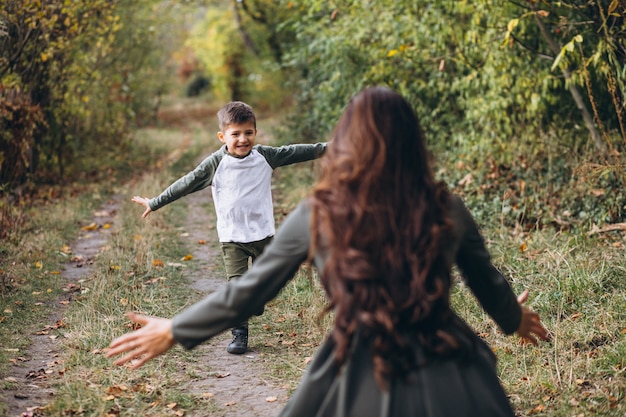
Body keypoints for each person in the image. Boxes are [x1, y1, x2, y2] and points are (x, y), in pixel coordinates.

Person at [109, 87, 549, 416]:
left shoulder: (317, 213)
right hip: (454, 371)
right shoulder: (446, 206)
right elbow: (487, 283)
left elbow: (245, 293)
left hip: (352, 372)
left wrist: (176, 330)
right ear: (413, 141)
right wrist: (514, 318)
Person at [130, 100, 327, 354]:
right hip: (232, 238)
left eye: (248, 133)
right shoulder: (215, 164)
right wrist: (155, 202)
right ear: (222, 136)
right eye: (235, 134)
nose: (242, 139)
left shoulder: (266, 156)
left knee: (268, 286)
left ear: (255, 132)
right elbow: (187, 183)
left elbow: (300, 151)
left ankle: (254, 302)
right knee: (237, 288)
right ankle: (239, 334)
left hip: (264, 235)